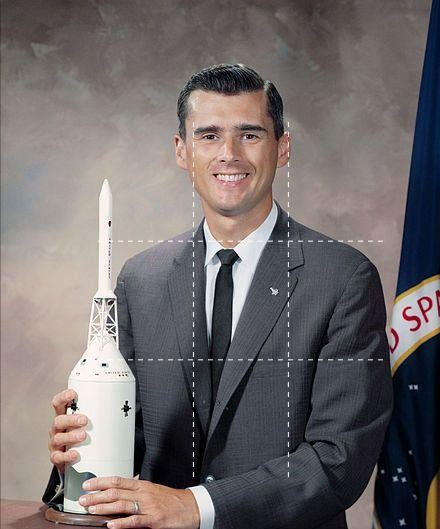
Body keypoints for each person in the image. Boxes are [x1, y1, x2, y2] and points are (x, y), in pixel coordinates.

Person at [44, 64, 393, 529]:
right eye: (208, 136)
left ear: (282, 147)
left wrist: (197, 506)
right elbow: (136, 440)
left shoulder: (343, 278)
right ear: (182, 151)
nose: (229, 154)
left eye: (249, 134)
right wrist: (82, 453)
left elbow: (339, 459)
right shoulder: (141, 280)